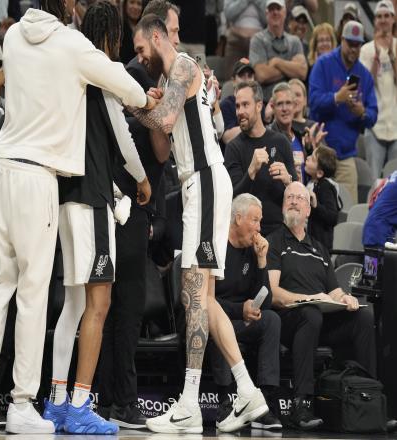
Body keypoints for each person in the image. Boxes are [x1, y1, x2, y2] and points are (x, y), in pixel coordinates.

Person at [0, 0, 155, 434]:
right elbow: (125, 86)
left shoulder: (12, 36)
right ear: (66, 4)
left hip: (4, 169)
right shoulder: (72, 44)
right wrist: (148, 96)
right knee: (32, 295)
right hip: (40, 176)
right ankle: (23, 403)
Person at [131, 14, 268, 434]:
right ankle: (248, 391)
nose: (140, 57)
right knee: (204, 299)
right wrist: (154, 104)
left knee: (192, 293)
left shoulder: (183, 66)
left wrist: (135, 102)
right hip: (198, 183)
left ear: (157, 37)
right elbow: (162, 145)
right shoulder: (173, 76)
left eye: (141, 49)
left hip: (205, 180)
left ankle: (190, 402)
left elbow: (163, 121)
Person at [42, 2, 151, 434]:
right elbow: (123, 137)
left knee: (72, 304)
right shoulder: (101, 71)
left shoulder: (67, 71)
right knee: (99, 304)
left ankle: (56, 402)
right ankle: (80, 404)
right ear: (112, 36)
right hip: (92, 200)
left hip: (66, 197)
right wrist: (141, 178)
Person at [97, 0, 180, 429]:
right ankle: (121, 401)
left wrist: (153, 111)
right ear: (157, 33)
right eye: (173, 33)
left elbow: (161, 151)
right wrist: (151, 107)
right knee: (122, 307)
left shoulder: (156, 82)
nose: (175, 42)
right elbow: (154, 140)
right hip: (122, 205)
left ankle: (110, 398)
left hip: (131, 207)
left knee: (114, 307)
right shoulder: (133, 74)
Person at [267, 181, 376, 430]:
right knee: (311, 314)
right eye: (289, 197)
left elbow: (334, 290)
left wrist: (345, 298)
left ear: (308, 209)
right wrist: (308, 299)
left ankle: (366, 397)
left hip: (319, 318)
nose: (294, 201)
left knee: (363, 316)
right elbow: (273, 293)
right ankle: (301, 404)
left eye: (300, 198)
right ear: (283, 206)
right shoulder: (274, 242)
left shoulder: (319, 248)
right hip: (288, 319)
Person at [210, 194, 283, 431]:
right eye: (255, 220)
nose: (259, 228)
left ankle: (265, 402)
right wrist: (239, 309)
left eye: (260, 221)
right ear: (238, 218)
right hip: (213, 319)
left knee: (271, 319)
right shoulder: (216, 246)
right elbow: (206, 300)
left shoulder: (253, 250)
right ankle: (225, 403)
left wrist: (262, 261)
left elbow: (266, 302)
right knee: (221, 325)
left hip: (241, 321)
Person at [309, 20, 378, 204]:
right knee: (317, 209)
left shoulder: (364, 75)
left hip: (346, 157)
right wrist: (335, 98)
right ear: (341, 40)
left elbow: (373, 115)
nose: (353, 49)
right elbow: (313, 101)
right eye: (350, 44)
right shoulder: (323, 64)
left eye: (357, 45)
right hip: (320, 154)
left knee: (348, 210)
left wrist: (362, 112)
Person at [225, 80, 296, 236]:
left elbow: (296, 190)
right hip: (247, 235)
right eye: (237, 106)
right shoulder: (233, 148)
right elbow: (233, 200)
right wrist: (251, 171)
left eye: (245, 105)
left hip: (280, 232)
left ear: (258, 106)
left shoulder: (281, 141)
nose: (240, 111)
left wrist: (288, 182)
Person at [360, 0, 397, 179]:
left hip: (396, 125)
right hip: (375, 126)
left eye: (387, 16)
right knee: (374, 180)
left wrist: (391, 55)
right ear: (375, 21)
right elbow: (364, 87)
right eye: (380, 16)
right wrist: (375, 60)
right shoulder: (366, 50)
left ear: (393, 19)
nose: (383, 20)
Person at [249, 0, 307, 102]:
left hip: (292, 103)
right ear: (266, 13)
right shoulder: (257, 40)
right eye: (271, 9)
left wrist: (277, 62)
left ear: (285, 12)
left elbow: (302, 72)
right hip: (266, 101)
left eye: (278, 9)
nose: (275, 12)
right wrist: (291, 67)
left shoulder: (295, 41)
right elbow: (261, 75)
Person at [305, 145, 341, 249]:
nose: (307, 158)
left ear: (320, 173)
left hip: (321, 246)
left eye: (312, 159)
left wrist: (316, 206)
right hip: (311, 242)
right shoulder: (313, 182)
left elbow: (332, 217)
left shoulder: (325, 187)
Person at [223, 0, 266, 80]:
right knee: (231, 78)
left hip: (258, 41)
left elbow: (268, 17)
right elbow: (228, 15)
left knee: (260, 78)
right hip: (235, 40)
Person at [363, 170, 397, 247]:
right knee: (375, 255)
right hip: (380, 235)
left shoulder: (393, 176)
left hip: (371, 231)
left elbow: (372, 201)